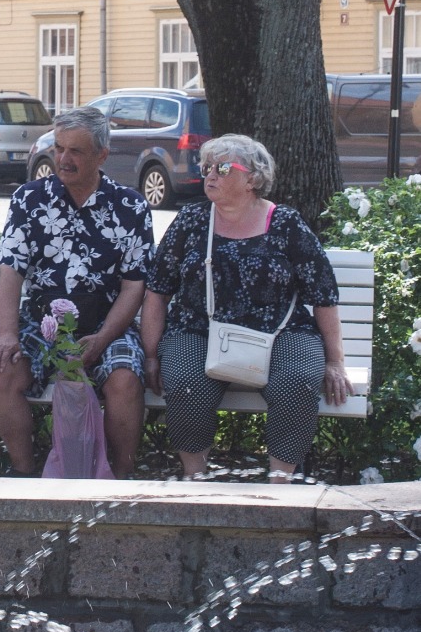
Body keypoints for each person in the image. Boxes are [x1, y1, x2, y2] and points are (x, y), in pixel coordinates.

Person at [141, 134, 351, 482]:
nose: (210, 175)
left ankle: (280, 482)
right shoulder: (192, 220)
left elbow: (323, 295)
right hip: (199, 330)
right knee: (185, 384)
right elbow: (157, 292)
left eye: (222, 168)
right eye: (206, 167)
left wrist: (334, 361)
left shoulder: (286, 224)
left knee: (297, 382)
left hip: (281, 331)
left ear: (253, 178)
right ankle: (196, 479)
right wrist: (151, 355)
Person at [0, 105, 154, 477]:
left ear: (101, 155)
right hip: (41, 323)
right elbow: (10, 273)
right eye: (59, 148)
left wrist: (103, 338)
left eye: (75, 151)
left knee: (124, 380)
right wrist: (7, 335)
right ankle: (26, 477)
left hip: (108, 324)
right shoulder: (30, 200)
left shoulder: (130, 206)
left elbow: (134, 286)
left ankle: (119, 483)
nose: (63, 158)